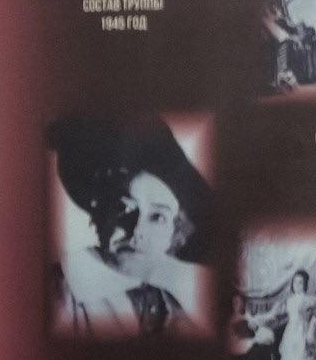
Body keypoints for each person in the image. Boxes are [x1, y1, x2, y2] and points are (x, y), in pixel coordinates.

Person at [47, 115, 213, 339]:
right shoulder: (57, 296)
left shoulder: (170, 307)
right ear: (98, 213)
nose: (137, 231)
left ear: (175, 233)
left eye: (157, 217)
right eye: (123, 209)